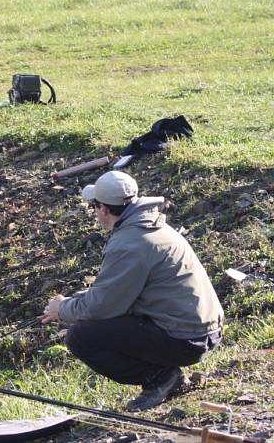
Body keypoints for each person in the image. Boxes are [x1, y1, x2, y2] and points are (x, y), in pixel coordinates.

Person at [42, 171, 223, 412]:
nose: (93, 212)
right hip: (201, 330)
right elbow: (116, 293)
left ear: (104, 209)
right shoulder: (150, 225)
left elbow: (102, 307)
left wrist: (62, 309)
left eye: (93, 206)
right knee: (94, 322)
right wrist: (73, 301)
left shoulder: (130, 243)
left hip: (186, 339)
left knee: (81, 336)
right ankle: (164, 375)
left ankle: (161, 378)